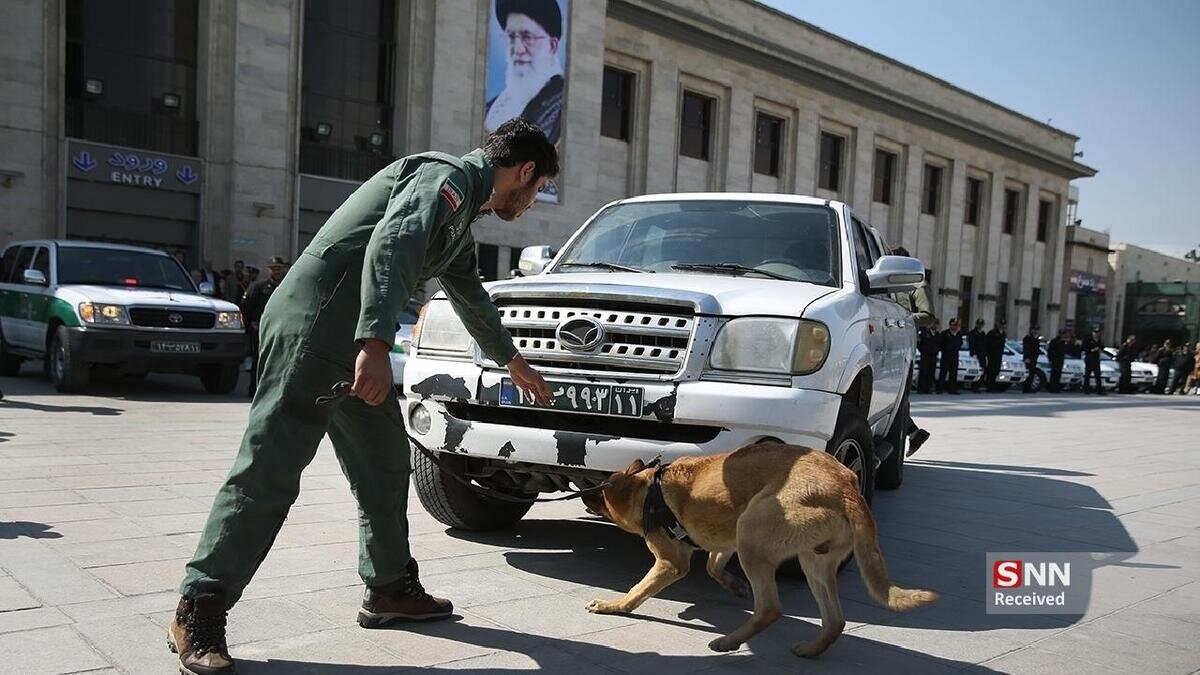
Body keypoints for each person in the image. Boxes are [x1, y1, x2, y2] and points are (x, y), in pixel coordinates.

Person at [168, 119, 559, 675]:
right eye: (539, 188)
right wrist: (376, 342)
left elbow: (470, 295)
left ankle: (390, 589)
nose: (534, 201)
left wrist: (514, 363)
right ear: (523, 171)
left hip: (353, 349)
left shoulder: (459, 218)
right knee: (270, 470)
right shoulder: (443, 179)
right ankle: (199, 606)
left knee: (383, 461)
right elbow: (391, 243)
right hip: (318, 330)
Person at [485, 0, 565, 144]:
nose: (517, 49)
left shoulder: (560, 105)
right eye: (511, 37)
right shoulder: (491, 107)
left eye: (527, 37)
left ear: (552, 46)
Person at [241, 256, 289, 398]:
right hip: (262, 329)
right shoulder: (258, 287)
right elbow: (246, 307)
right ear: (268, 270)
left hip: (282, 329)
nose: (277, 272)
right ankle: (255, 389)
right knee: (259, 360)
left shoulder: (288, 285)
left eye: (279, 268)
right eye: (273, 269)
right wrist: (251, 326)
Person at [938, 318, 963, 394]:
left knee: (953, 373)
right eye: (954, 325)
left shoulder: (958, 334)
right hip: (946, 356)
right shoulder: (945, 333)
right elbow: (941, 344)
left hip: (954, 356)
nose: (955, 327)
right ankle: (940, 389)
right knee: (943, 373)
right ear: (950, 325)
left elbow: (960, 344)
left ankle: (952, 389)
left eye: (957, 325)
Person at [917, 319, 940, 394]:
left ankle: (928, 388)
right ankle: (920, 389)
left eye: (936, 324)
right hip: (925, 356)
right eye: (933, 324)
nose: (935, 325)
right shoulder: (924, 333)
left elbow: (939, 345)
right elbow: (919, 344)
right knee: (923, 372)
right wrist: (923, 351)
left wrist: (936, 352)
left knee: (931, 372)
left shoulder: (937, 334)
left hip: (933, 356)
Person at [1081, 326, 1105, 395]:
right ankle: (1086, 389)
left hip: (1096, 358)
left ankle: (1099, 390)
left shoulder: (1100, 340)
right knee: (1087, 374)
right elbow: (1083, 348)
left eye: (1098, 333)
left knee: (1097, 374)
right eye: (1095, 332)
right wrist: (1092, 350)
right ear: (1093, 333)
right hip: (1089, 358)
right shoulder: (1088, 339)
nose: (1097, 334)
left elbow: (1102, 347)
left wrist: (1100, 349)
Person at [985, 319, 1007, 391]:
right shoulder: (992, 332)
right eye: (1001, 324)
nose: (1002, 326)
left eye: (1003, 325)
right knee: (991, 370)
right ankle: (989, 386)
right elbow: (988, 343)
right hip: (992, 354)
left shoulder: (1003, 333)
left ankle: (992, 385)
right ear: (998, 324)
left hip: (999, 354)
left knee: (996, 370)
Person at [967, 319, 988, 391]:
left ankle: (978, 385)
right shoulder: (972, 333)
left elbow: (985, 344)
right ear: (976, 324)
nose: (980, 326)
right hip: (975, 354)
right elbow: (971, 344)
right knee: (976, 370)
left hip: (982, 354)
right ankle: (974, 386)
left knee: (983, 370)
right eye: (979, 324)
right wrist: (973, 353)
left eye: (981, 324)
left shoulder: (983, 334)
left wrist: (985, 354)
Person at [1047, 328, 1070, 392]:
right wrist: (1050, 360)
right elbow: (1050, 351)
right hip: (1055, 359)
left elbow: (1065, 350)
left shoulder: (1063, 342)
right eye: (1062, 334)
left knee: (1058, 374)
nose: (1063, 335)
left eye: (1064, 334)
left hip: (1060, 359)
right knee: (1054, 374)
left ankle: (1056, 387)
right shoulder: (1054, 341)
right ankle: (1052, 388)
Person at [1021, 325, 1041, 393]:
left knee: (1032, 374)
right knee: (1028, 374)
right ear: (1031, 330)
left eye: (1037, 330)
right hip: (1029, 358)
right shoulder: (1027, 338)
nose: (1035, 331)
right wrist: (1026, 357)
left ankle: (1029, 388)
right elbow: (1026, 349)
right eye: (1034, 330)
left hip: (1034, 359)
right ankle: (1026, 388)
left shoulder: (1037, 339)